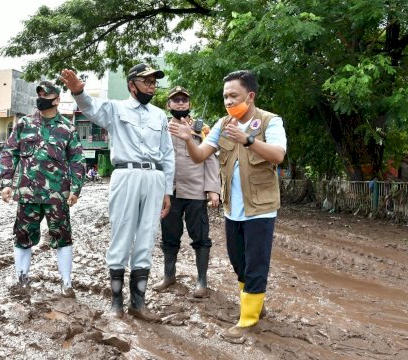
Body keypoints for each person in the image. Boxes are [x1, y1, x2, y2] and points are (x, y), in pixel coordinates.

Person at [169, 70, 286, 341]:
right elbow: (199, 157)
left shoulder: (270, 121)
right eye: (225, 97)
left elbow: (278, 155)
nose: (229, 101)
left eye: (234, 95)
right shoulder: (222, 124)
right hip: (233, 209)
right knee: (238, 263)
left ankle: (247, 320)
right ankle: (256, 304)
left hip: (260, 208)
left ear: (250, 95)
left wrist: (248, 140)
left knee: (256, 263)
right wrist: (189, 138)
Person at [60, 63, 175, 322]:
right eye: (146, 81)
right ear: (132, 84)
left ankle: (138, 303)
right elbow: (91, 108)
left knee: (146, 238)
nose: (152, 85)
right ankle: (116, 304)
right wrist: (79, 92)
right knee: (121, 235)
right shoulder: (116, 108)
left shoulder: (159, 116)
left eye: (154, 81)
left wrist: (167, 189)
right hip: (126, 174)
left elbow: (168, 154)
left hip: (155, 177)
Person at [0, 81, 85, 298]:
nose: (41, 97)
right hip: (27, 195)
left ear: (56, 99)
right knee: (22, 236)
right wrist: (7, 183)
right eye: (39, 94)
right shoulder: (24, 124)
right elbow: (10, 152)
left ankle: (67, 283)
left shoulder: (67, 128)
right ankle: (22, 279)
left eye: (46, 94)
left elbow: (77, 160)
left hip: (58, 196)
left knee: (63, 237)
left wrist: (76, 189)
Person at [154, 86, 220, 298]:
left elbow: (210, 159)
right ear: (169, 105)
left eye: (184, 100)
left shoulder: (202, 129)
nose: (180, 103)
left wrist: (213, 190)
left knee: (200, 237)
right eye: (176, 100)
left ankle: (202, 281)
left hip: (195, 190)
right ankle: (169, 276)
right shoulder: (161, 127)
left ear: (189, 104)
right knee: (169, 236)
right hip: (168, 191)